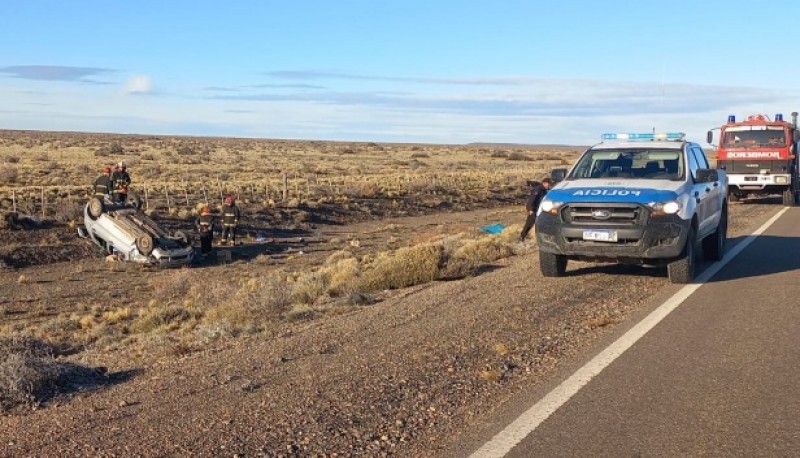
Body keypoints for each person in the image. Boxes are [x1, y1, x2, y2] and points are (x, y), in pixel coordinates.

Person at [519, 177, 553, 242]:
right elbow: (531, 200)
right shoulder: (537, 190)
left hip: (540, 210)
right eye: (549, 184)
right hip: (533, 210)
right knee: (529, 224)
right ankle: (522, 237)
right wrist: (530, 209)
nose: (549, 186)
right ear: (545, 183)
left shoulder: (544, 190)